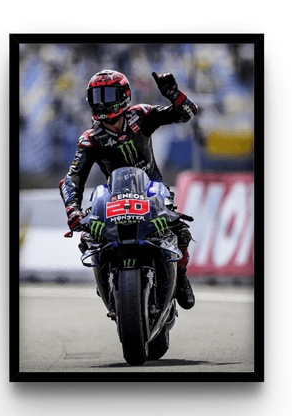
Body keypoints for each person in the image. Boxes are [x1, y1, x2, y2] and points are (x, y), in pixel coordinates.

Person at [59, 69, 199, 309]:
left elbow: (187, 113)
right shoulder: (90, 139)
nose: (102, 102)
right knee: (89, 237)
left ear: (123, 95)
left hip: (154, 193)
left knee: (181, 232)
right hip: (115, 199)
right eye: (97, 96)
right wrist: (73, 210)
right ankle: (107, 280)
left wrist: (174, 95)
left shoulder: (141, 115)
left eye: (108, 94)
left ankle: (181, 277)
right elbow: (72, 178)